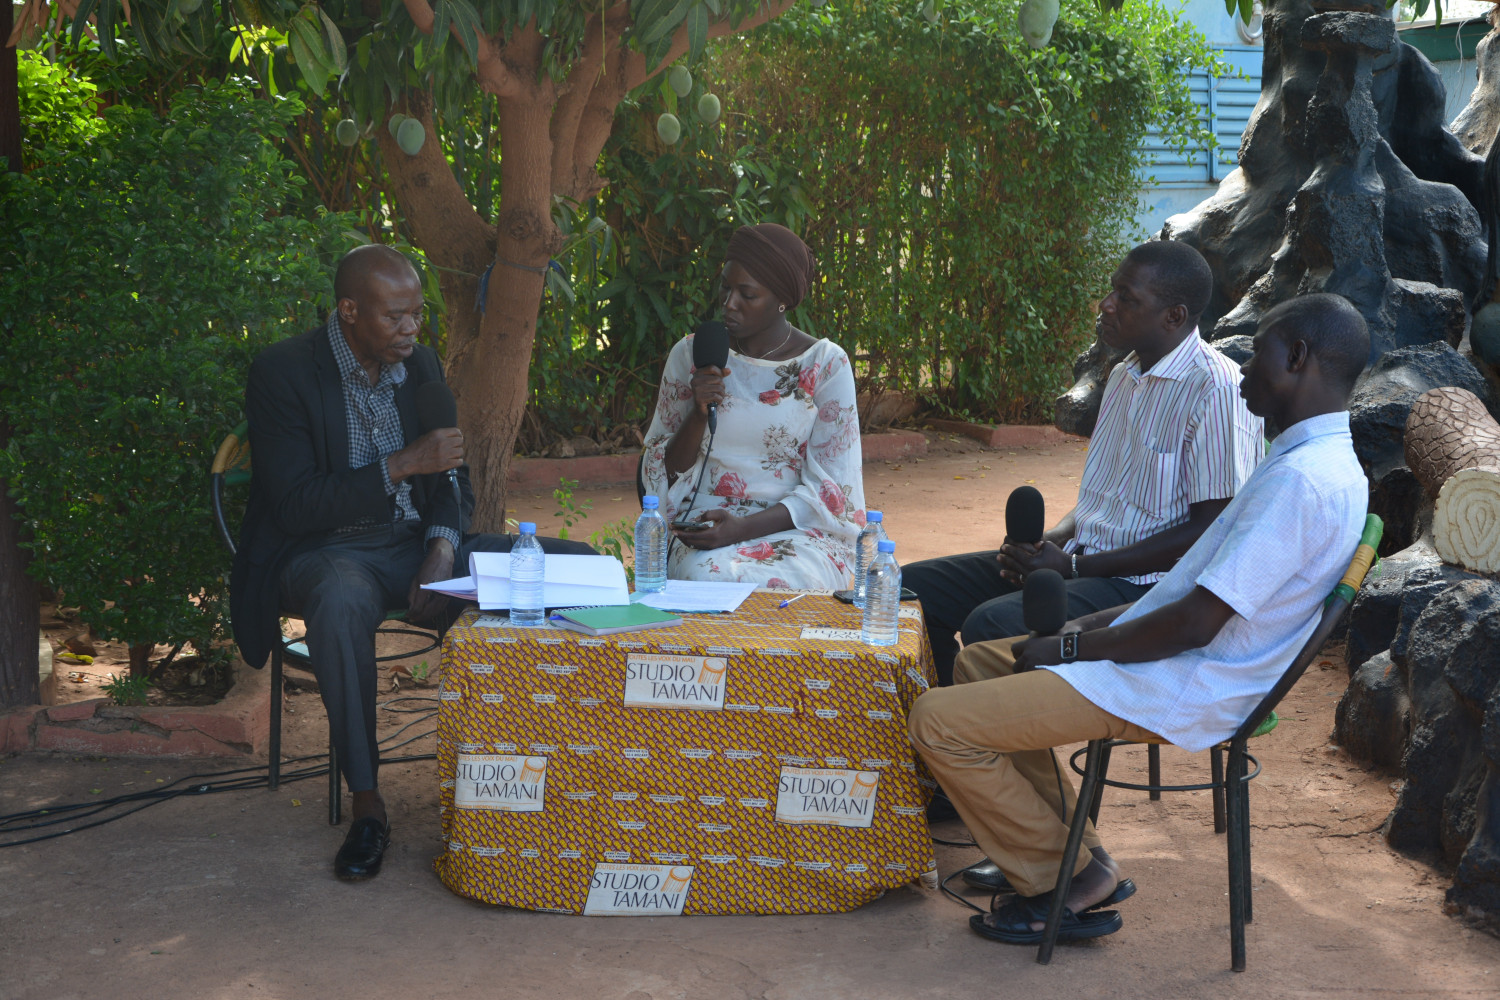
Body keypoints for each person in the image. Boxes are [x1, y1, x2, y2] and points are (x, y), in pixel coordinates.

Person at [906, 293, 1372, 945]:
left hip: (1188, 680)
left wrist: (1076, 649)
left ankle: (1055, 882)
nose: (1244, 371)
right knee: (982, 659)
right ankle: (1080, 857)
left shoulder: (1305, 482)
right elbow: (1184, 597)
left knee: (935, 721)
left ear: (1297, 357)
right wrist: (1083, 634)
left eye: (1258, 352)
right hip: (1178, 657)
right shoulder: (1303, 463)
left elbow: (1194, 625)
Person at [230, 245, 594, 881]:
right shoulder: (283, 371)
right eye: (395, 317)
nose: (410, 330)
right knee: (340, 604)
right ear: (349, 311)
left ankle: (543, 787)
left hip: (413, 546)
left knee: (576, 570)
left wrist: (443, 546)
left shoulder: (419, 364)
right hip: (322, 551)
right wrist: (401, 464)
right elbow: (292, 505)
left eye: (417, 315)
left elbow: (453, 479)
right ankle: (369, 806)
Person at [905, 240, 1264, 690]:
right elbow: (1104, 493)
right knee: (911, 592)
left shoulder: (1216, 390)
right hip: (1079, 564)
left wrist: (1075, 570)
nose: (1106, 305)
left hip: (1146, 590)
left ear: (1174, 316)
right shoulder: (1122, 376)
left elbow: (1212, 532)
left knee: (990, 625)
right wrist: (1054, 537)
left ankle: (983, 752)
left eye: (1126, 298)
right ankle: (936, 733)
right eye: (1112, 291)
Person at [640, 223, 866, 589]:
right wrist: (698, 414)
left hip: (797, 530)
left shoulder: (825, 366)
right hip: (706, 528)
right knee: (707, 576)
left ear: (782, 301)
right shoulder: (691, 355)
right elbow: (659, 474)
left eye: (747, 294)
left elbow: (832, 489)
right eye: (726, 287)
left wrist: (743, 530)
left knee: (795, 580)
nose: (729, 303)